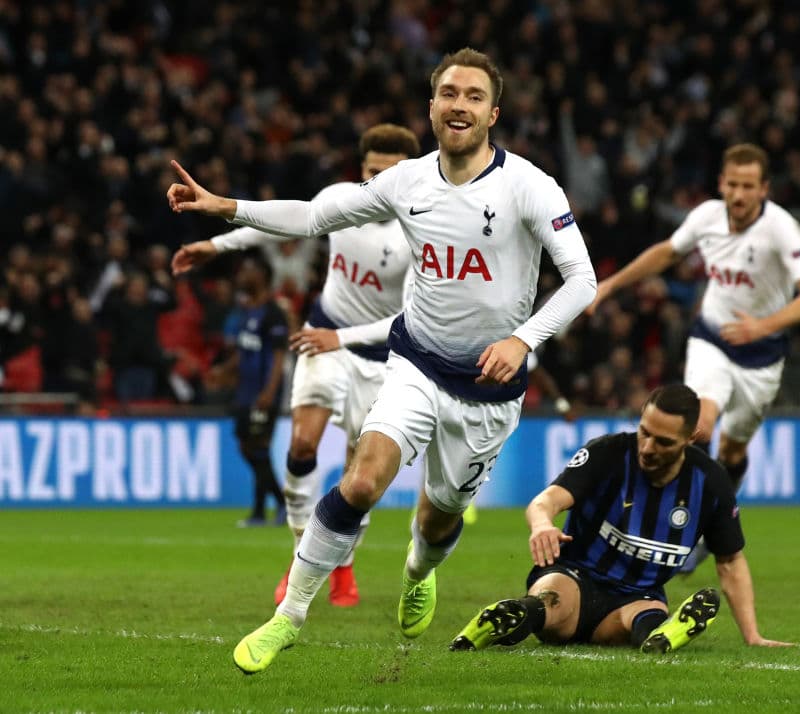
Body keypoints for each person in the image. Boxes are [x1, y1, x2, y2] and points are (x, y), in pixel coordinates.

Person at [166, 47, 597, 673]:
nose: (460, 105)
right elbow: (315, 216)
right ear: (431, 106)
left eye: (474, 96)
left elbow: (582, 280)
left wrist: (522, 339)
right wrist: (228, 207)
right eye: (449, 93)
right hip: (416, 361)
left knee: (439, 518)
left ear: (493, 113)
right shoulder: (407, 180)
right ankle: (288, 619)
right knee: (363, 480)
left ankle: (418, 571)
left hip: (488, 388)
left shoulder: (529, 186)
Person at [172, 124, 421, 608]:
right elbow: (290, 220)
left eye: (388, 176)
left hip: (379, 358)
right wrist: (217, 246)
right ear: (361, 169)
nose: (377, 184)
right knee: (302, 444)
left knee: (359, 478)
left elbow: (407, 316)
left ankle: (343, 564)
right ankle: (299, 558)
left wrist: (341, 338)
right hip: (322, 337)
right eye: (371, 172)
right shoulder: (344, 200)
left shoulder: (421, 234)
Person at [450, 384, 792, 652]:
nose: (647, 447)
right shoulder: (608, 453)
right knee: (551, 600)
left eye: (663, 441)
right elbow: (547, 500)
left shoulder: (711, 483)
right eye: (644, 432)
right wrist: (542, 524)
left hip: (636, 596)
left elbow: (730, 561)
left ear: (690, 439)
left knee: (644, 615)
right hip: (575, 577)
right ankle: (508, 619)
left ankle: (663, 635)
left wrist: (753, 636)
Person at [589, 144, 800, 497]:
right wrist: (609, 285)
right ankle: (681, 521)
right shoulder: (707, 216)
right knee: (700, 428)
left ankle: (716, 518)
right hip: (712, 337)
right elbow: (668, 252)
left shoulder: (781, 228)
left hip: (761, 354)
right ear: (721, 183)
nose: (738, 194)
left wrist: (763, 326)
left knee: (732, 451)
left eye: (748, 186)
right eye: (732, 184)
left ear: (764, 189)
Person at [223, 253, 289, 527]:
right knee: (246, 445)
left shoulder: (274, 313)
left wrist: (269, 392)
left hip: (263, 392)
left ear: (262, 276)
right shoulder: (247, 311)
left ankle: (280, 506)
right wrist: (225, 369)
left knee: (258, 447)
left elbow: (278, 356)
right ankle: (262, 511)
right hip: (245, 391)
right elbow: (246, 349)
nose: (242, 275)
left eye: (248, 269)